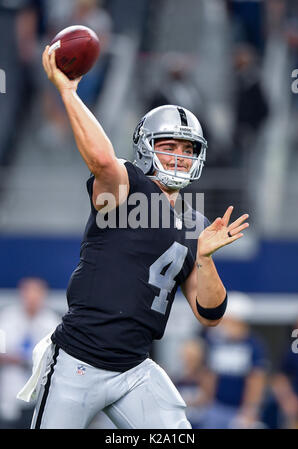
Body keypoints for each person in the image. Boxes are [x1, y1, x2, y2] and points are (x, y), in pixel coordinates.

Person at [17, 46, 249, 429]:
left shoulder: (194, 222)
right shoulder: (127, 185)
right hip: (79, 359)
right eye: (168, 146)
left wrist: (205, 260)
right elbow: (102, 162)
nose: (178, 156)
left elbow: (209, 314)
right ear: (146, 147)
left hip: (135, 369)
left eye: (187, 149)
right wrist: (70, 93)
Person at [200, 292, 268, 429]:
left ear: (239, 322)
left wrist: (249, 411)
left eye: (228, 320)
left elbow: (256, 379)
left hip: (240, 411)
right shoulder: (216, 342)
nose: (223, 325)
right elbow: (209, 374)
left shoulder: (253, 345)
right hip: (216, 407)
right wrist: (206, 402)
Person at [0, 277, 59, 429]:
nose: (32, 300)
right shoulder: (6, 318)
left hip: (40, 395)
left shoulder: (52, 322)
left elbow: (57, 358)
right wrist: (22, 359)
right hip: (10, 393)